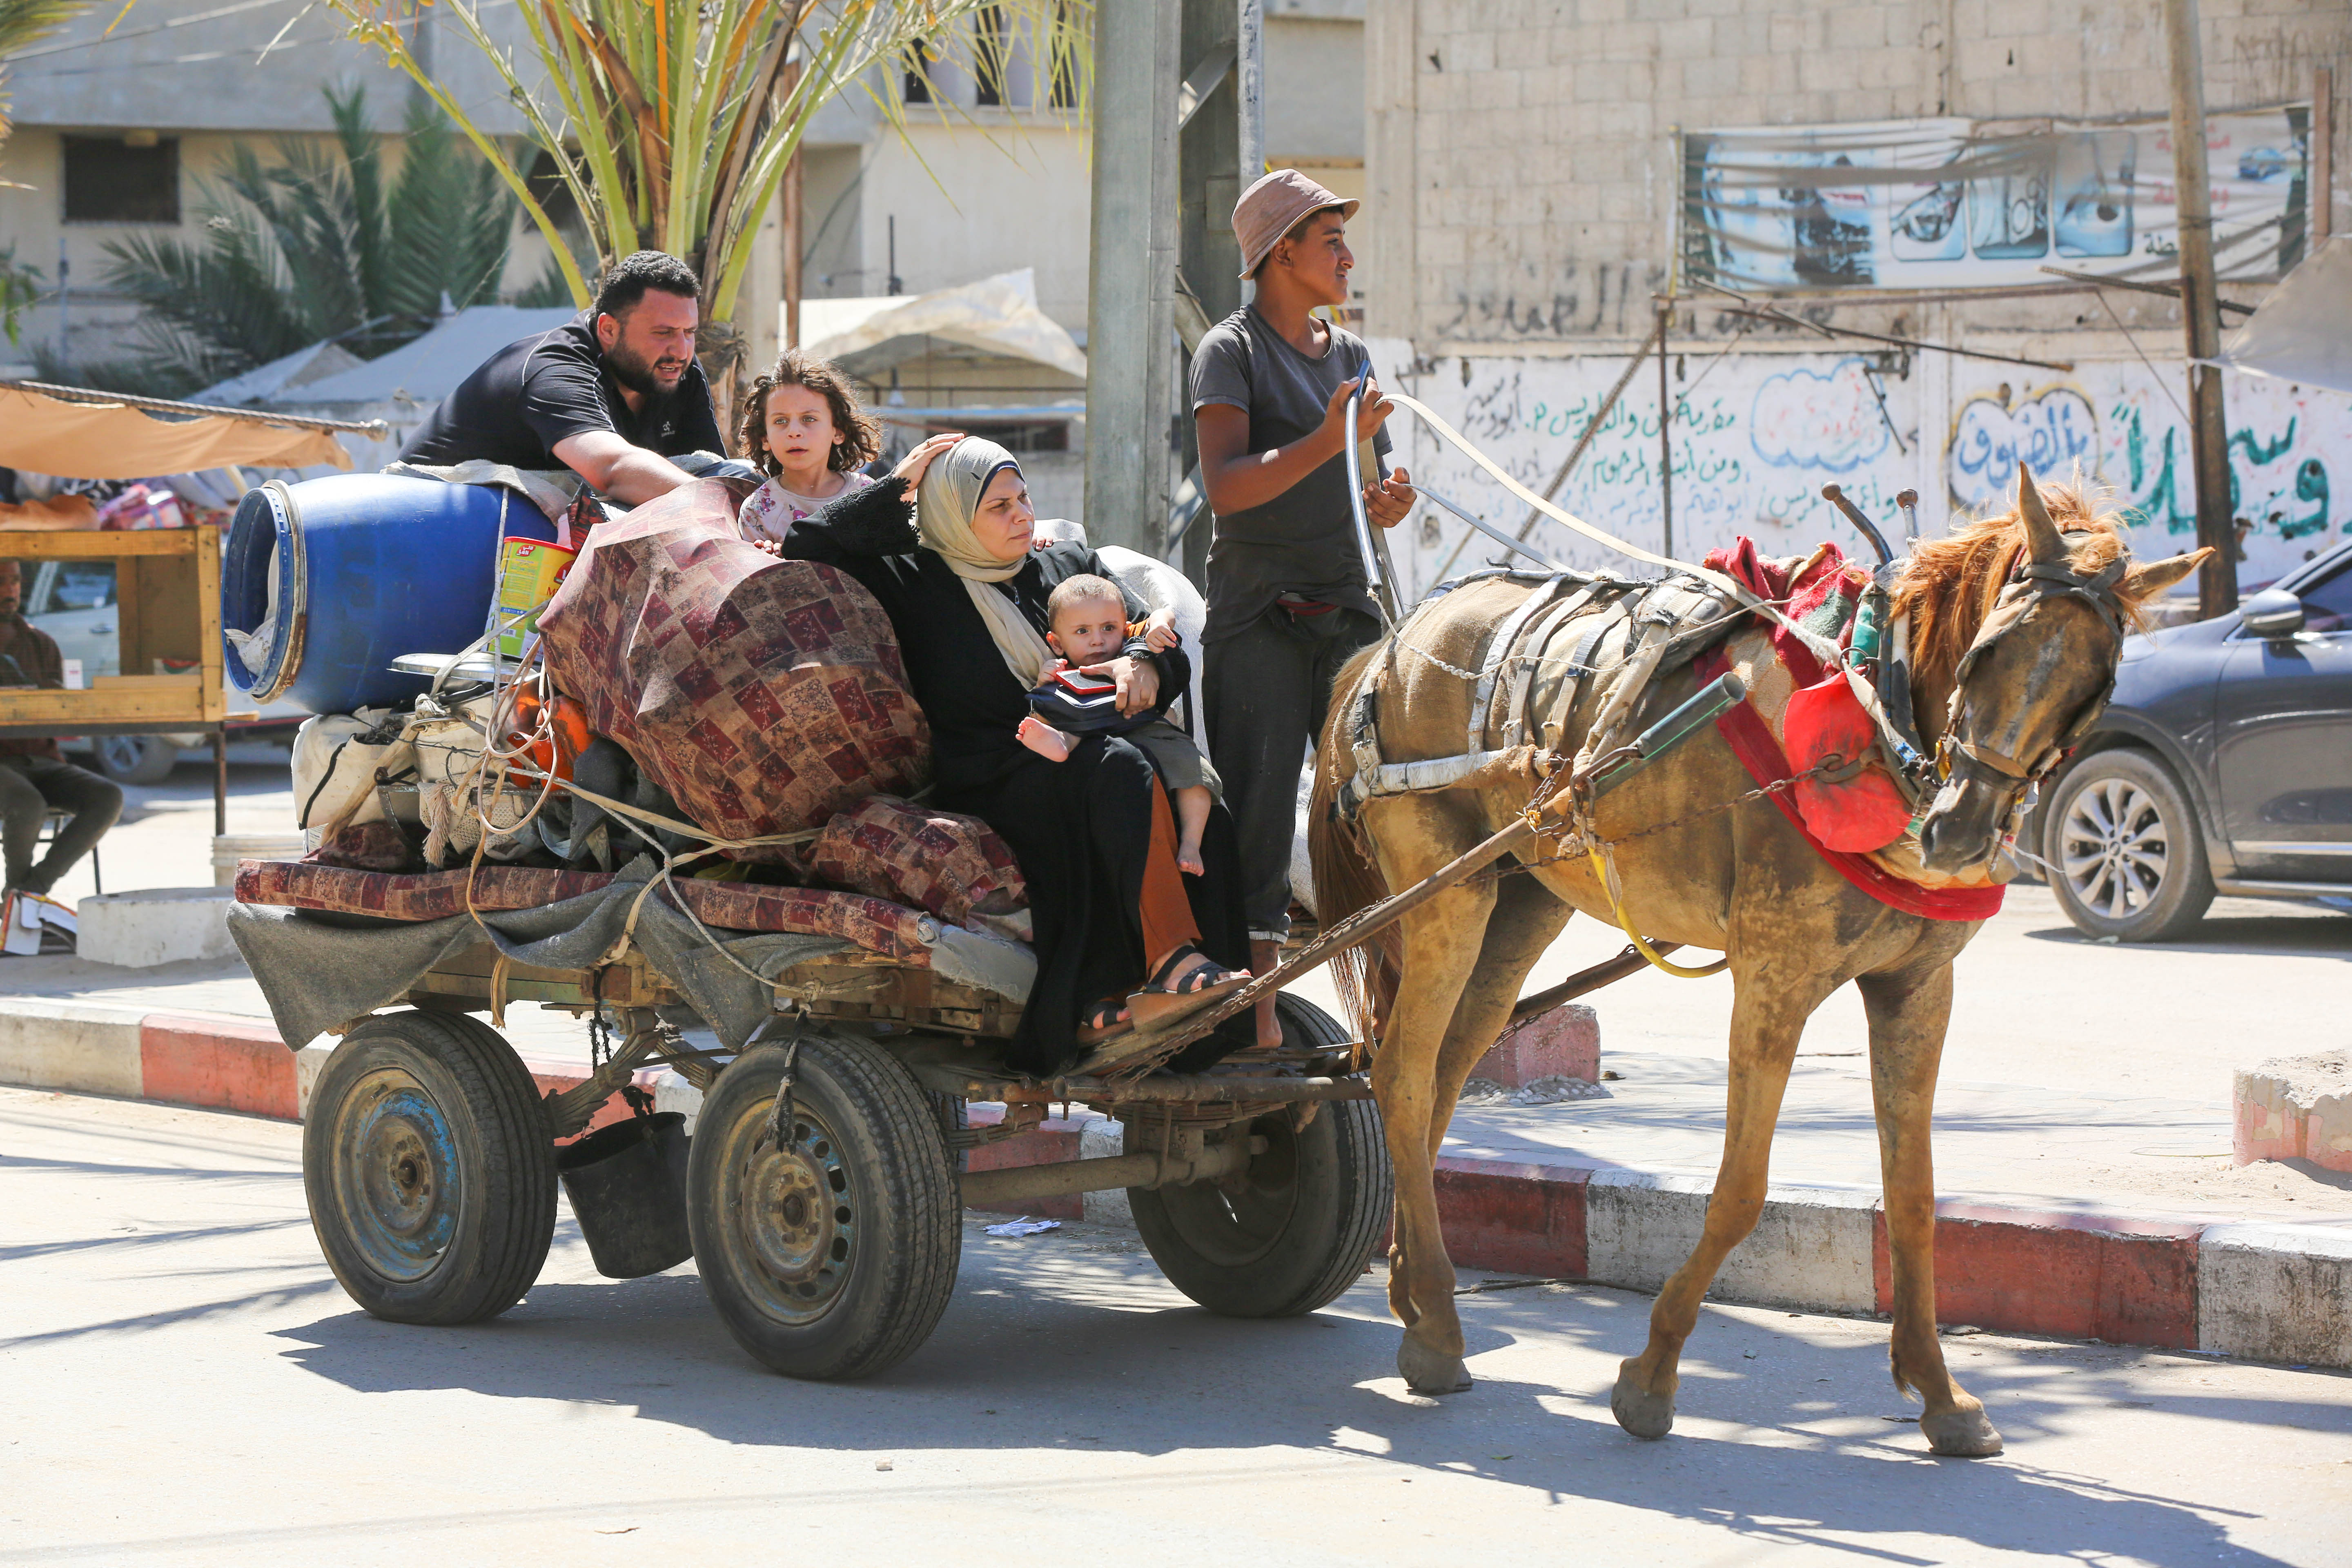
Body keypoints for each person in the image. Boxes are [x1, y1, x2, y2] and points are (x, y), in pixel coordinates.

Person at [784, 435, 1253, 1070]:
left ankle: (1210, 1022)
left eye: (1023, 497)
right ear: (952, 514)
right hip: (997, 768)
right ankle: (1158, 966)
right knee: (1119, 773)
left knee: (1193, 793)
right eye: (998, 506)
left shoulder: (1064, 562)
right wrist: (903, 478)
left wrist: (1144, 667)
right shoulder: (916, 580)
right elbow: (808, 545)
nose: (1022, 516)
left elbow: (1150, 634)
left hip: (1101, 744)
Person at [1190, 167, 1416, 1044]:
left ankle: (1391, 992)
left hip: (1346, 604)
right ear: (1283, 254)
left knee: (1379, 790)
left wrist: (1385, 498)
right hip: (1258, 615)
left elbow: (1361, 483)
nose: (1348, 258)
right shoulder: (1231, 351)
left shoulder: (1351, 358)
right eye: (1332, 242)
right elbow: (1227, 489)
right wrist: (1328, 438)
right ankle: (1256, 1015)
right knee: (1258, 800)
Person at [398, 251, 725, 505]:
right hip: (433, 516)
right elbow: (612, 471)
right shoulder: (554, 370)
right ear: (609, 329)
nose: (681, 350)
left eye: (689, 332)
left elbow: (706, 469)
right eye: (663, 332)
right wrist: (732, 511)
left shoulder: (674, 366)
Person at [1017, 573, 1221, 876]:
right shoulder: (1063, 667)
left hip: (1143, 725)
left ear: (1124, 628)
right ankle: (1060, 743)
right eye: (1083, 631)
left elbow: (1161, 615)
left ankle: (1191, 843)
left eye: (1109, 628)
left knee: (1195, 771)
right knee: (1058, 715)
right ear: (1057, 643)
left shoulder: (1131, 645)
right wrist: (1045, 678)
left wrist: (1159, 627)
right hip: (1084, 721)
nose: (1098, 640)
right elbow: (1046, 700)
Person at [0, 562, 121, 901]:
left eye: (15, 582)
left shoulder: (40, 643)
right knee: (27, 804)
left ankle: (25, 893)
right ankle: (21, 907)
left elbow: (63, 708)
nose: (10, 590)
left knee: (108, 797)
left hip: (41, 759)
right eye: (1, 582)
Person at [733, 348, 882, 547]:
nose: (794, 432)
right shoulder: (758, 510)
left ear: (837, 432)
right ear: (765, 439)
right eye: (781, 421)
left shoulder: (865, 493)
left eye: (809, 419)